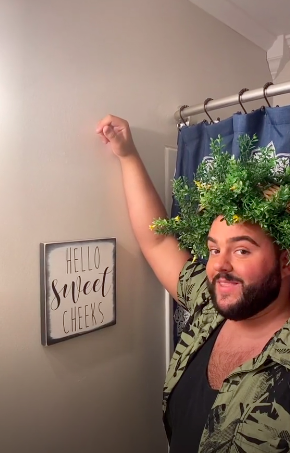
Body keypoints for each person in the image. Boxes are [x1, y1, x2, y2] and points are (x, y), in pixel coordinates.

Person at [96, 115, 290, 453]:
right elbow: (158, 243)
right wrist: (127, 155)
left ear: (285, 260)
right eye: (214, 248)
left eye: (241, 250)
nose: (219, 265)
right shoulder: (209, 304)